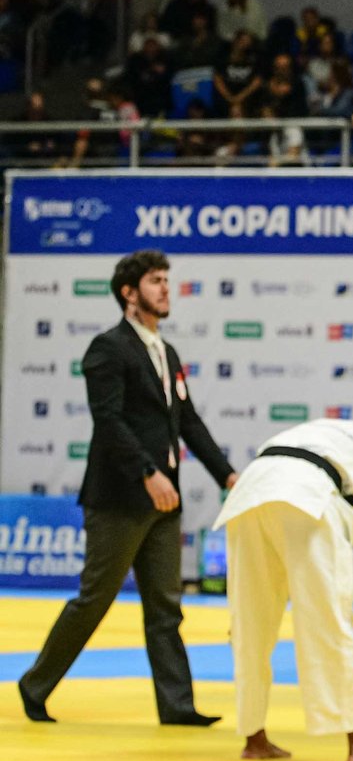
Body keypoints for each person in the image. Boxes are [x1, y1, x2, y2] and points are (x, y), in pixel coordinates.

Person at [16, 250, 237, 725]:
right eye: (155, 281)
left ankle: (177, 706)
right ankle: (35, 684)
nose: (165, 288)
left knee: (166, 606)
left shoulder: (167, 352)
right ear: (129, 293)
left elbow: (189, 422)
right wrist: (147, 471)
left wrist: (228, 475)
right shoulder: (108, 348)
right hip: (120, 497)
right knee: (95, 599)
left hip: (165, 500)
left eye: (166, 280)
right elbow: (109, 421)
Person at [214, 420, 353, 761]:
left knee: (249, 623)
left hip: (250, 492)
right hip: (306, 493)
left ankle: (254, 739)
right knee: (330, 620)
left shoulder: (339, 436)